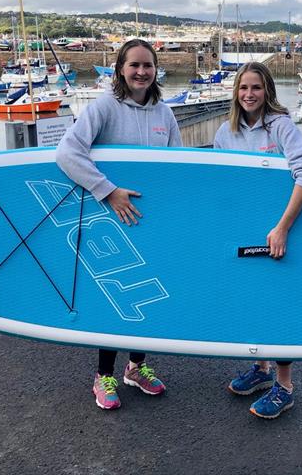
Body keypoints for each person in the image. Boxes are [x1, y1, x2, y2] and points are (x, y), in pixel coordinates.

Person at [55, 39, 182, 411]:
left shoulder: (165, 114)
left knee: (148, 293)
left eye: (148, 65)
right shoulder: (103, 108)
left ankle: (136, 367)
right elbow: (67, 153)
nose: (142, 72)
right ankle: (103, 375)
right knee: (115, 297)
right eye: (134, 65)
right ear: (119, 69)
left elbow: (178, 166)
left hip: (153, 219)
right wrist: (106, 191)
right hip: (113, 217)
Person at [213, 61, 302, 419]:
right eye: (243, 88)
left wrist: (284, 227)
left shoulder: (281, 126)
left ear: (267, 91)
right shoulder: (224, 133)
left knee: (278, 306)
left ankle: (285, 386)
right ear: (235, 92)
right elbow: (220, 185)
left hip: (277, 230)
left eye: (256, 88)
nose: (249, 95)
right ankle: (260, 370)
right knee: (250, 301)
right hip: (242, 230)